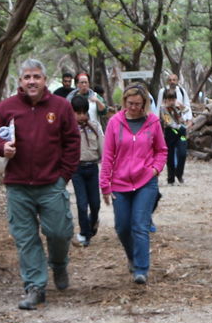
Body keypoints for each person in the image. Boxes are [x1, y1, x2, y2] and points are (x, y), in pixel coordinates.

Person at [0, 59, 79, 310]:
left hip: (51, 184)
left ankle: (59, 264)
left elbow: (72, 142)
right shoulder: (7, 107)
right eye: (27, 77)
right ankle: (35, 286)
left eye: (36, 76)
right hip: (18, 184)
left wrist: (63, 176)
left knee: (59, 232)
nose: (32, 81)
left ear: (45, 80)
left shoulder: (60, 107)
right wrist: (1, 147)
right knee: (25, 238)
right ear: (20, 82)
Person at [101, 85, 167, 285]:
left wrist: (155, 169)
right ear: (124, 103)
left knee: (139, 224)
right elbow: (108, 155)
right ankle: (131, 256)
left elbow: (161, 150)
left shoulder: (153, 122)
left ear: (145, 104)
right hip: (120, 182)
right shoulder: (115, 122)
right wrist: (105, 184)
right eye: (130, 104)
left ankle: (141, 268)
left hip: (145, 181)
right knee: (122, 226)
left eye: (138, 104)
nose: (134, 108)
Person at [70, 93, 104, 245]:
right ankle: (85, 234)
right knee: (82, 204)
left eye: (84, 112)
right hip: (77, 170)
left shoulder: (95, 126)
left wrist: (106, 165)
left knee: (95, 204)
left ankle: (93, 221)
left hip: (93, 168)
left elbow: (102, 146)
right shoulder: (68, 129)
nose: (82, 116)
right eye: (78, 113)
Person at [159, 88, 189, 185]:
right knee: (170, 156)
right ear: (165, 100)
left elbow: (186, 111)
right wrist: (179, 126)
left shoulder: (177, 107)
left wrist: (181, 107)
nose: (171, 102)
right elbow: (168, 121)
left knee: (182, 153)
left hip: (181, 133)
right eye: (169, 100)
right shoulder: (163, 109)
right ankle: (170, 178)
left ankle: (179, 174)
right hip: (170, 132)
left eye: (173, 99)